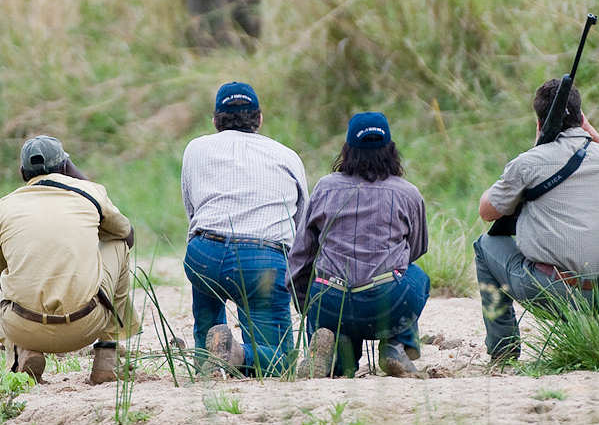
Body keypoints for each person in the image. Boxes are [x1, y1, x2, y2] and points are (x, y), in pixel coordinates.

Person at [473, 79, 599, 360]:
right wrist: (590, 130)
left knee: (484, 246)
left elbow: (487, 212)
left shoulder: (528, 163)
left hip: (552, 291)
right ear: (581, 118)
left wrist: (529, 157)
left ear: (539, 122)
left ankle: (503, 350)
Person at [0, 135, 140, 384]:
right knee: (118, 244)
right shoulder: (90, 193)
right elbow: (127, 235)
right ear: (66, 166)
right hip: (85, 325)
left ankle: (24, 352)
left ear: (22, 172)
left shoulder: (2, 208)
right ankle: (107, 357)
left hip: (24, 328)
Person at [181, 81, 309, 376]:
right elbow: (301, 223)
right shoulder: (287, 155)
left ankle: (207, 357)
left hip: (205, 254)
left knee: (206, 286)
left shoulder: (195, 149)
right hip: (262, 261)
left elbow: (193, 210)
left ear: (215, 121)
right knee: (279, 361)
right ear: (259, 119)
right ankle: (236, 354)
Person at [289, 112, 430, 378]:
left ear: (347, 150)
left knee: (340, 347)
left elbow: (300, 256)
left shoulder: (325, 188)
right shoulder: (408, 193)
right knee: (417, 277)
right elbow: (417, 248)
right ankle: (396, 344)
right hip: (385, 301)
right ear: (391, 150)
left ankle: (330, 352)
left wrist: (309, 307)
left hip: (330, 298)